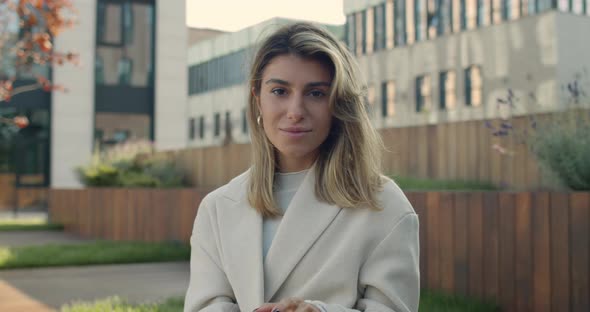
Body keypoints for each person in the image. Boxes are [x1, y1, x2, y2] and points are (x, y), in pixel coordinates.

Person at [184, 22, 420, 312]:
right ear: (257, 98)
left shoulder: (383, 204)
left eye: (316, 93)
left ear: (338, 104)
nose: (295, 112)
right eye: (280, 91)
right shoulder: (217, 208)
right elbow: (206, 305)